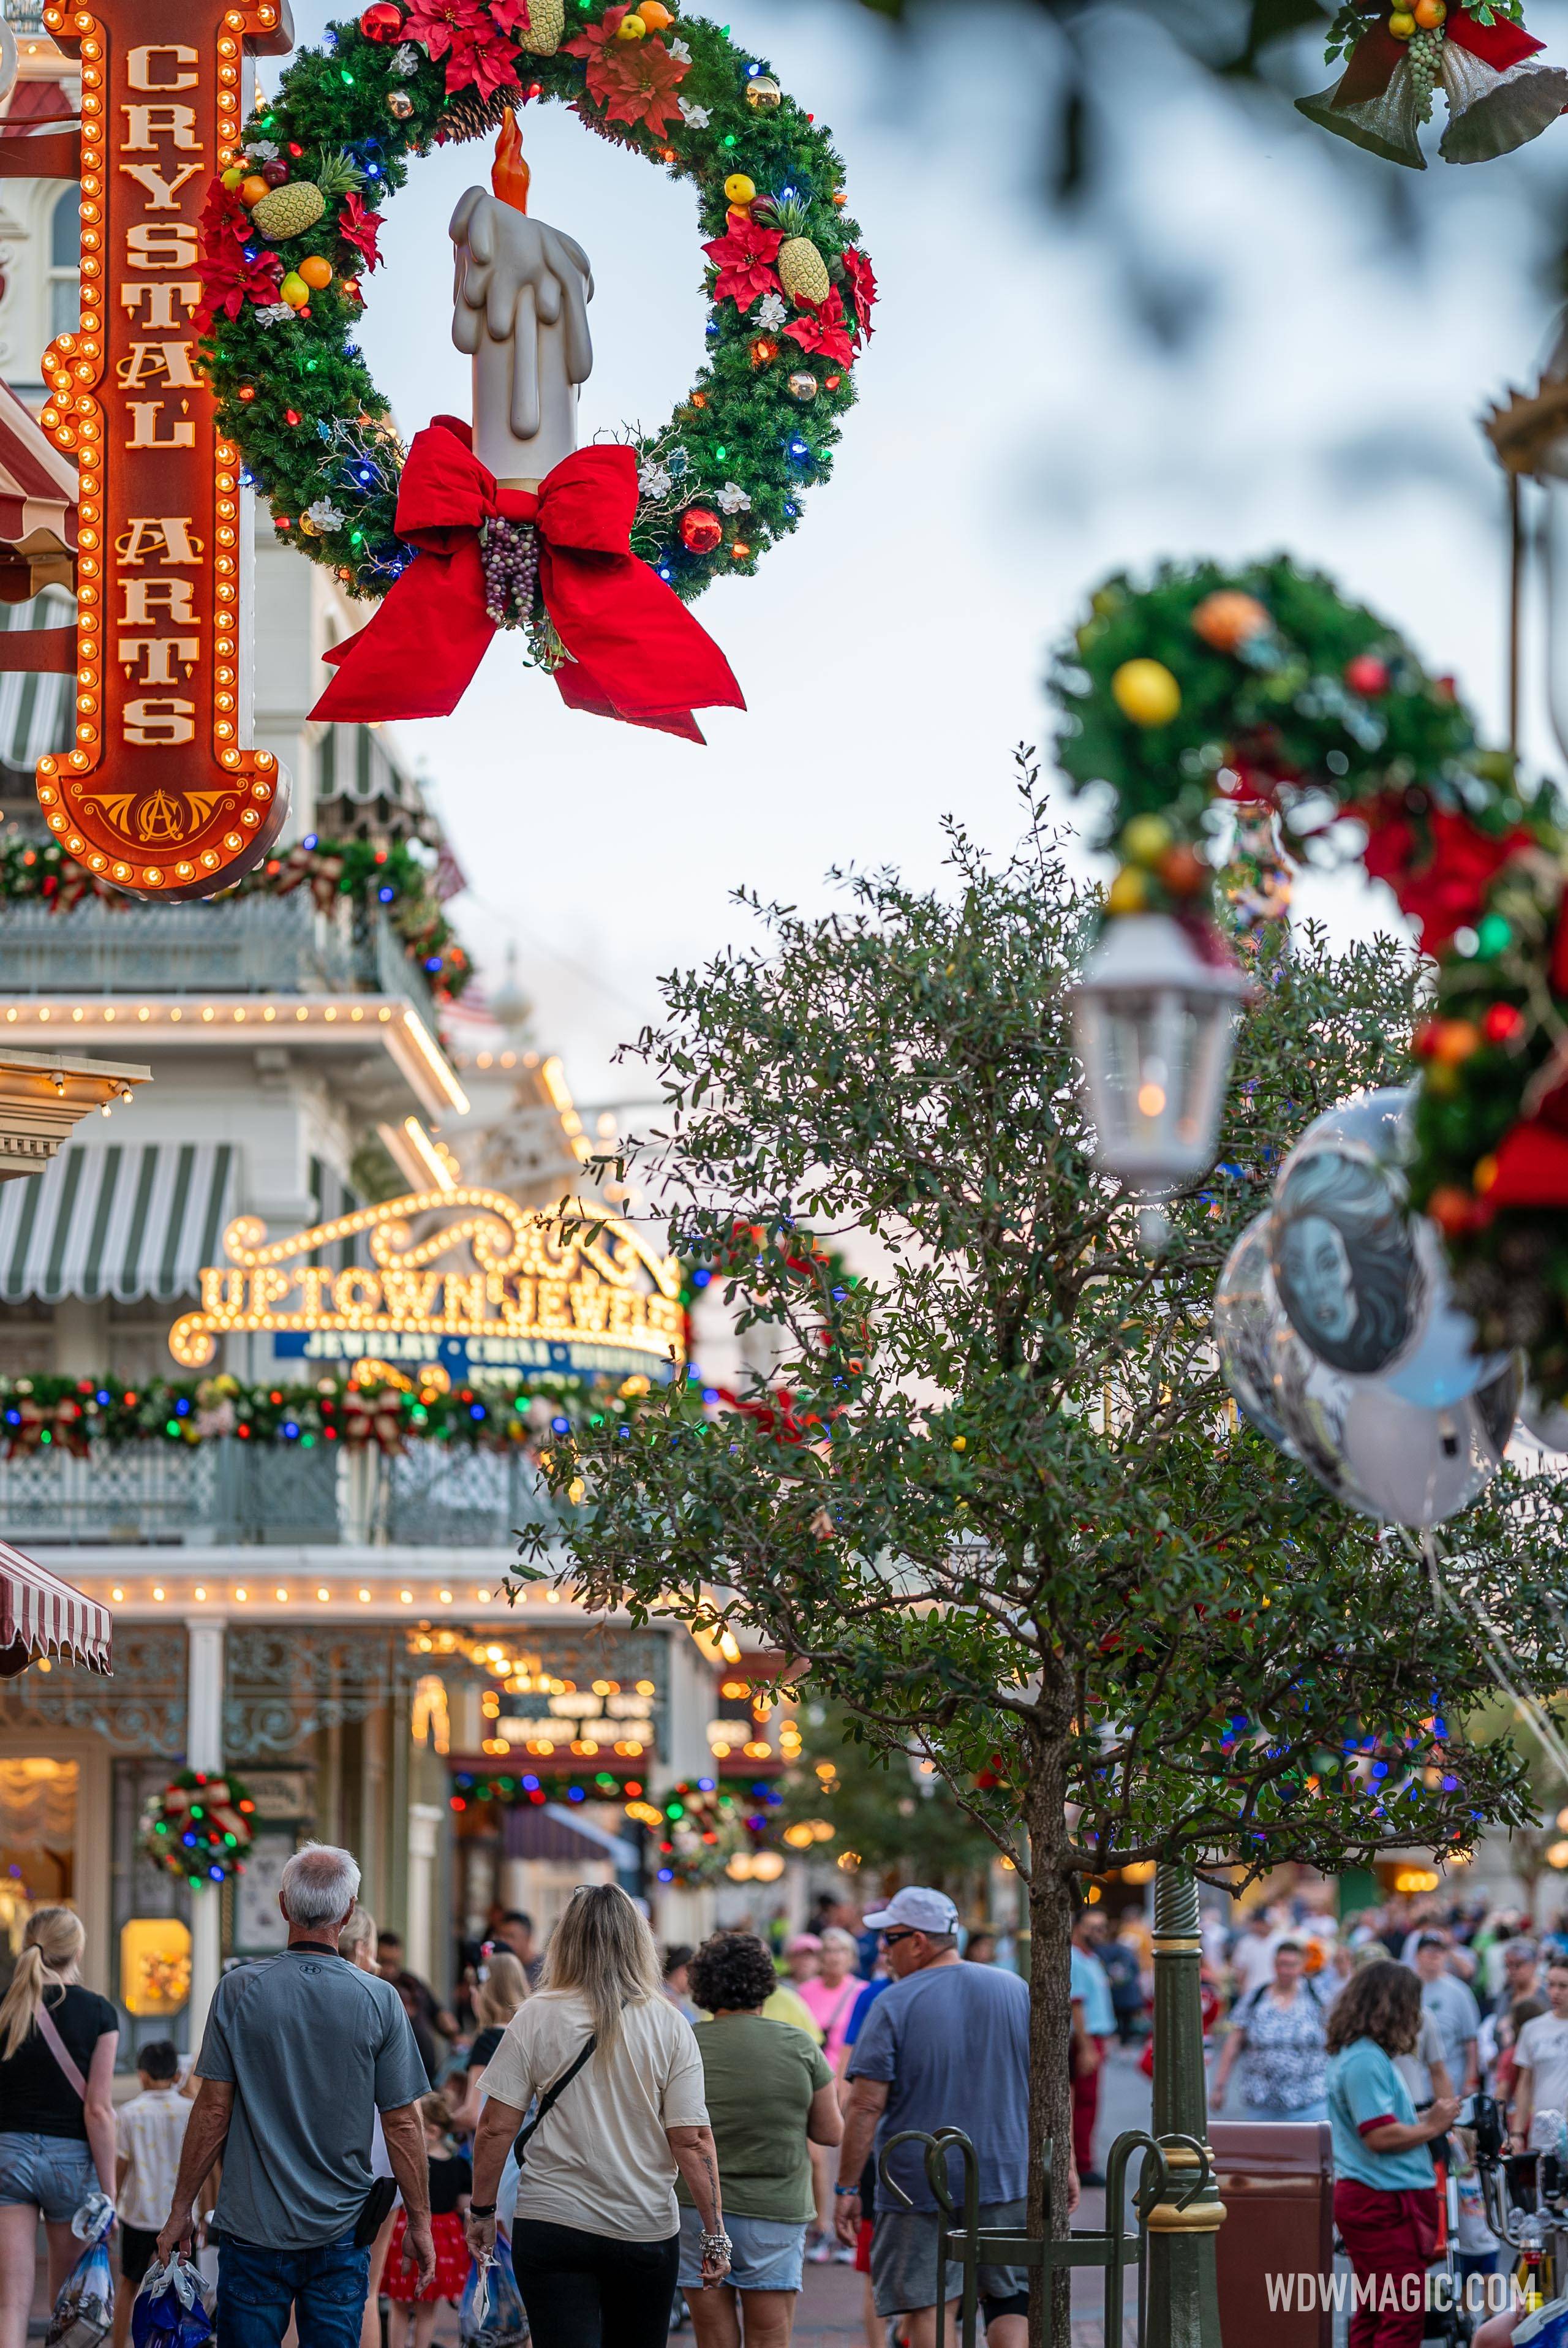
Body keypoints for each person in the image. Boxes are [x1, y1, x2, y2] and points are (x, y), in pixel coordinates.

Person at [154, 1843, 435, 2348]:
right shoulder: (379, 1998)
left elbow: (213, 2108)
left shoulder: (239, 1990)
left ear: (284, 1906)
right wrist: (421, 2221)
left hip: (252, 2231)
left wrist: (181, 2208)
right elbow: (403, 2122)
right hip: (340, 2229)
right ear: (348, 1913)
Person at [465, 1882, 730, 2346]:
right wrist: (715, 2234)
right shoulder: (669, 2022)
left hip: (552, 2221)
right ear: (638, 1942)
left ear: (565, 1941)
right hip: (643, 2224)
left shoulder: (535, 2015)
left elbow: (495, 2126)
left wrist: (483, 2210)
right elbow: (692, 2139)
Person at [837, 1887, 1044, 2348]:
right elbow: (1048, 2088)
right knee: (1011, 2298)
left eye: (890, 1938)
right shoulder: (1015, 1989)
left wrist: (849, 2186)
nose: (883, 1950)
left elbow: (866, 2104)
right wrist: (1062, 2163)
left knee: (930, 2305)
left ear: (919, 1941)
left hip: (917, 2181)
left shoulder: (893, 2002)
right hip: (1006, 2172)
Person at [678, 1931, 842, 2346]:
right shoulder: (800, 2045)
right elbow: (830, 2132)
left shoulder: (685, 2046)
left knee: (712, 2336)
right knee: (770, 2335)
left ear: (703, 1986)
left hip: (696, 2206)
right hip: (777, 2207)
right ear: (765, 1983)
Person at [0, 1906, 118, 2348]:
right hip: (71, 2162)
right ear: (77, 1949)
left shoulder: (5, 2007)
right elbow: (99, 2110)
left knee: (10, 2304)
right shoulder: (98, 2012)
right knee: (67, 2305)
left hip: (8, 2154)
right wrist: (109, 2193)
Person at [1325, 1959, 1458, 2348]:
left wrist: (1423, 2120)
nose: (1417, 2018)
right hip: (1381, 2197)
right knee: (1402, 2313)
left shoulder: (1360, 2055)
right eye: (1412, 2006)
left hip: (1376, 2194)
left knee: (1375, 2308)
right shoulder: (1366, 2060)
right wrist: (1433, 2125)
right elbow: (1378, 2135)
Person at [339, 1904, 402, 2348]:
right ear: (363, 1948)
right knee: (366, 2289)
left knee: (294, 2294)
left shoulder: (302, 1993)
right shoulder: (380, 1998)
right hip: (377, 2160)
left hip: (307, 2159)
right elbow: (404, 2107)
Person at [113, 2040, 191, 2348]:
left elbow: (121, 2165)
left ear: (142, 2075)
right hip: (181, 2219)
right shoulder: (189, 2111)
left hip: (138, 2215)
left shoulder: (130, 2112)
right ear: (176, 2075)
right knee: (182, 2289)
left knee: (129, 2285)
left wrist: (112, 2202)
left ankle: (119, 2344)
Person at [381, 2092, 470, 2348]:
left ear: (429, 2132)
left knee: (399, 2307)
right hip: (444, 2241)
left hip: (406, 2232)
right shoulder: (459, 2166)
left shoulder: (411, 2165)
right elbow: (464, 2206)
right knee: (427, 2311)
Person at [1207, 1939, 1330, 2124]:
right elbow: (1233, 2044)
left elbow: (1336, 2036)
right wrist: (1219, 2087)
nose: (1286, 1970)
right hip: (1263, 2103)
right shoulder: (1256, 1998)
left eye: (1292, 1965)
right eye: (1282, 1964)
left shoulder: (1317, 1996)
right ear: (1274, 1965)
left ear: (1302, 1966)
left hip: (1310, 2101)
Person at [1069, 1911, 1115, 2186]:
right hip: (1085, 2039)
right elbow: (1077, 2004)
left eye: (1103, 1927)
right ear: (1078, 1928)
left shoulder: (1093, 1958)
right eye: (1093, 1927)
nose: (1099, 1932)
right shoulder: (1075, 1958)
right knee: (1085, 2103)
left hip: (1097, 2037)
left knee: (1090, 2102)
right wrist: (1087, 2047)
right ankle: (1083, 2164)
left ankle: (1083, 2160)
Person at [1509, 1956, 1568, 2150]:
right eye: (1550, 1985)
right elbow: (1525, 2083)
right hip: (1543, 2136)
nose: (1555, 1993)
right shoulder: (1532, 2029)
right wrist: (1517, 2133)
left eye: (1563, 1986)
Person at [1414, 1935, 1482, 2098]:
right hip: (1417, 2084)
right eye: (1429, 1950)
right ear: (1418, 1955)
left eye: (1440, 1950)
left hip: (1451, 2082)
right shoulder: (1408, 1989)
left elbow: (1471, 2040)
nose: (1435, 1955)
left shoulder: (1460, 1992)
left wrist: (1471, 2079)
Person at [493, 1910, 541, 1987]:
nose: (502, 1941)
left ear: (528, 1938)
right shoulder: (498, 1967)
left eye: (510, 1936)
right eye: (500, 1935)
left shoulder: (545, 1969)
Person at [663, 1944, 699, 2023]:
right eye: (692, 1973)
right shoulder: (668, 2000)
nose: (695, 1979)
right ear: (681, 1971)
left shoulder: (673, 1999)